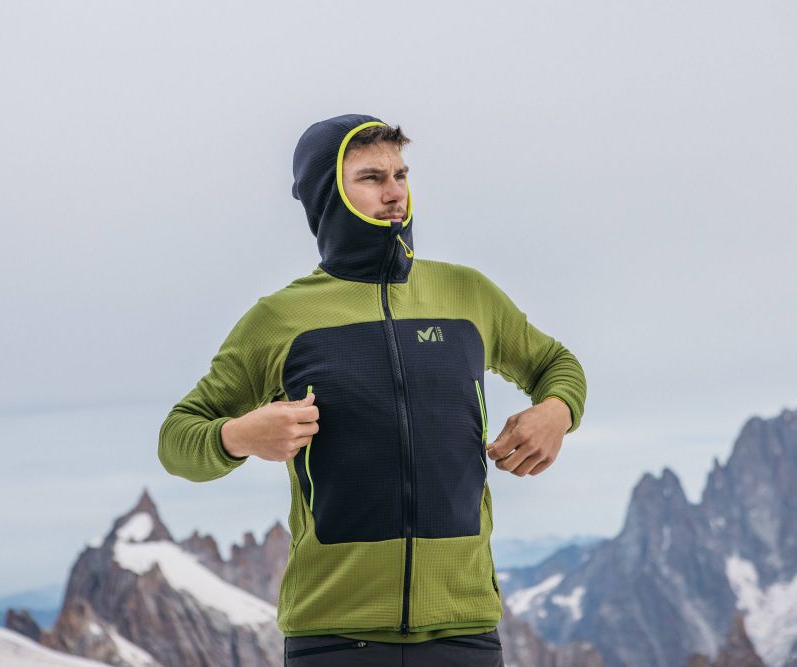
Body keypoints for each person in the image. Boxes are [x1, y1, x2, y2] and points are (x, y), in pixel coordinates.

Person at [158, 113, 587, 666]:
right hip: (332, 637)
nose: (394, 192)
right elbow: (177, 439)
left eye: (400, 175)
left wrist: (556, 412)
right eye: (371, 178)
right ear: (328, 195)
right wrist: (238, 436)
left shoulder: (468, 294)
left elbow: (556, 364)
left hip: (464, 632)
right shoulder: (281, 319)